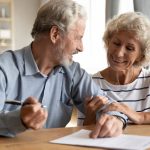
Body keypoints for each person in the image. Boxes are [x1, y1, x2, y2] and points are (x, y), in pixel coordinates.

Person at [0, 0, 127, 138]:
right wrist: (19, 119)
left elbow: (109, 106)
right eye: (78, 38)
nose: (81, 47)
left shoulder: (73, 72)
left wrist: (116, 120)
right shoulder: (5, 68)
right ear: (55, 34)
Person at [77, 12, 150, 126]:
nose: (119, 53)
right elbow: (82, 134)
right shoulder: (92, 83)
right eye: (116, 43)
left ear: (140, 55)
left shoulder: (148, 80)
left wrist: (134, 114)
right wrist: (90, 115)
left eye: (129, 48)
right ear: (108, 41)